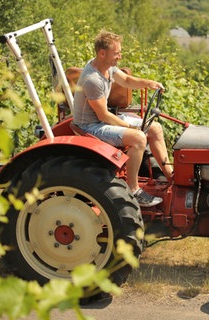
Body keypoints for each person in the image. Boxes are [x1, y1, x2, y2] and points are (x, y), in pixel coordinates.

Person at [72, 30, 173, 207]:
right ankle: (133, 189)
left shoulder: (107, 68)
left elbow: (126, 80)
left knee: (155, 127)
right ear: (102, 53)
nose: (119, 57)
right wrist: (129, 127)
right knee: (138, 138)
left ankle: (171, 176)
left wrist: (149, 83)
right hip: (91, 126)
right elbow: (103, 115)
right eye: (116, 53)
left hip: (102, 119)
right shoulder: (92, 79)